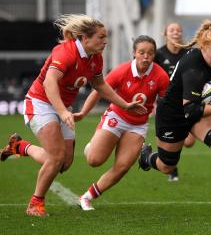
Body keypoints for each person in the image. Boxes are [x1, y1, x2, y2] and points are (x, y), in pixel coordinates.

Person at [0, 14, 146, 217]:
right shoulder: (65, 52)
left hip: (62, 107)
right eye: (101, 37)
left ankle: (19, 147)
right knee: (56, 157)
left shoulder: (96, 58)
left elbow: (100, 85)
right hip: (41, 103)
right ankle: (35, 204)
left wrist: (125, 105)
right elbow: (49, 83)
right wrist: (61, 111)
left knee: (64, 163)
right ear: (85, 38)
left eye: (106, 37)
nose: (105, 41)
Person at [138, 19, 211, 218]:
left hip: (197, 108)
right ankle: (147, 158)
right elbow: (189, 110)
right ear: (203, 47)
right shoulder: (193, 68)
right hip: (174, 114)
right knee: (167, 166)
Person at [75, 35, 170, 211]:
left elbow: (167, 104)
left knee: (122, 167)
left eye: (150, 53)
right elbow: (98, 91)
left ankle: (87, 197)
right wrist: (82, 113)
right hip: (116, 118)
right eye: (141, 52)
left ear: (154, 55)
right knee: (94, 160)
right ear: (134, 53)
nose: (146, 57)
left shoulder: (161, 76)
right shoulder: (121, 71)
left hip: (138, 125)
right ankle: (93, 146)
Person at [155, 22, 195, 182]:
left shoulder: (189, 54)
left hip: (187, 102)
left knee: (189, 143)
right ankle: (171, 167)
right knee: (167, 143)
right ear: (165, 34)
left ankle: (169, 162)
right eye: (172, 30)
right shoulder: (158, 54)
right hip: (166, 105)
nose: (176, 32)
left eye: (179, 30)